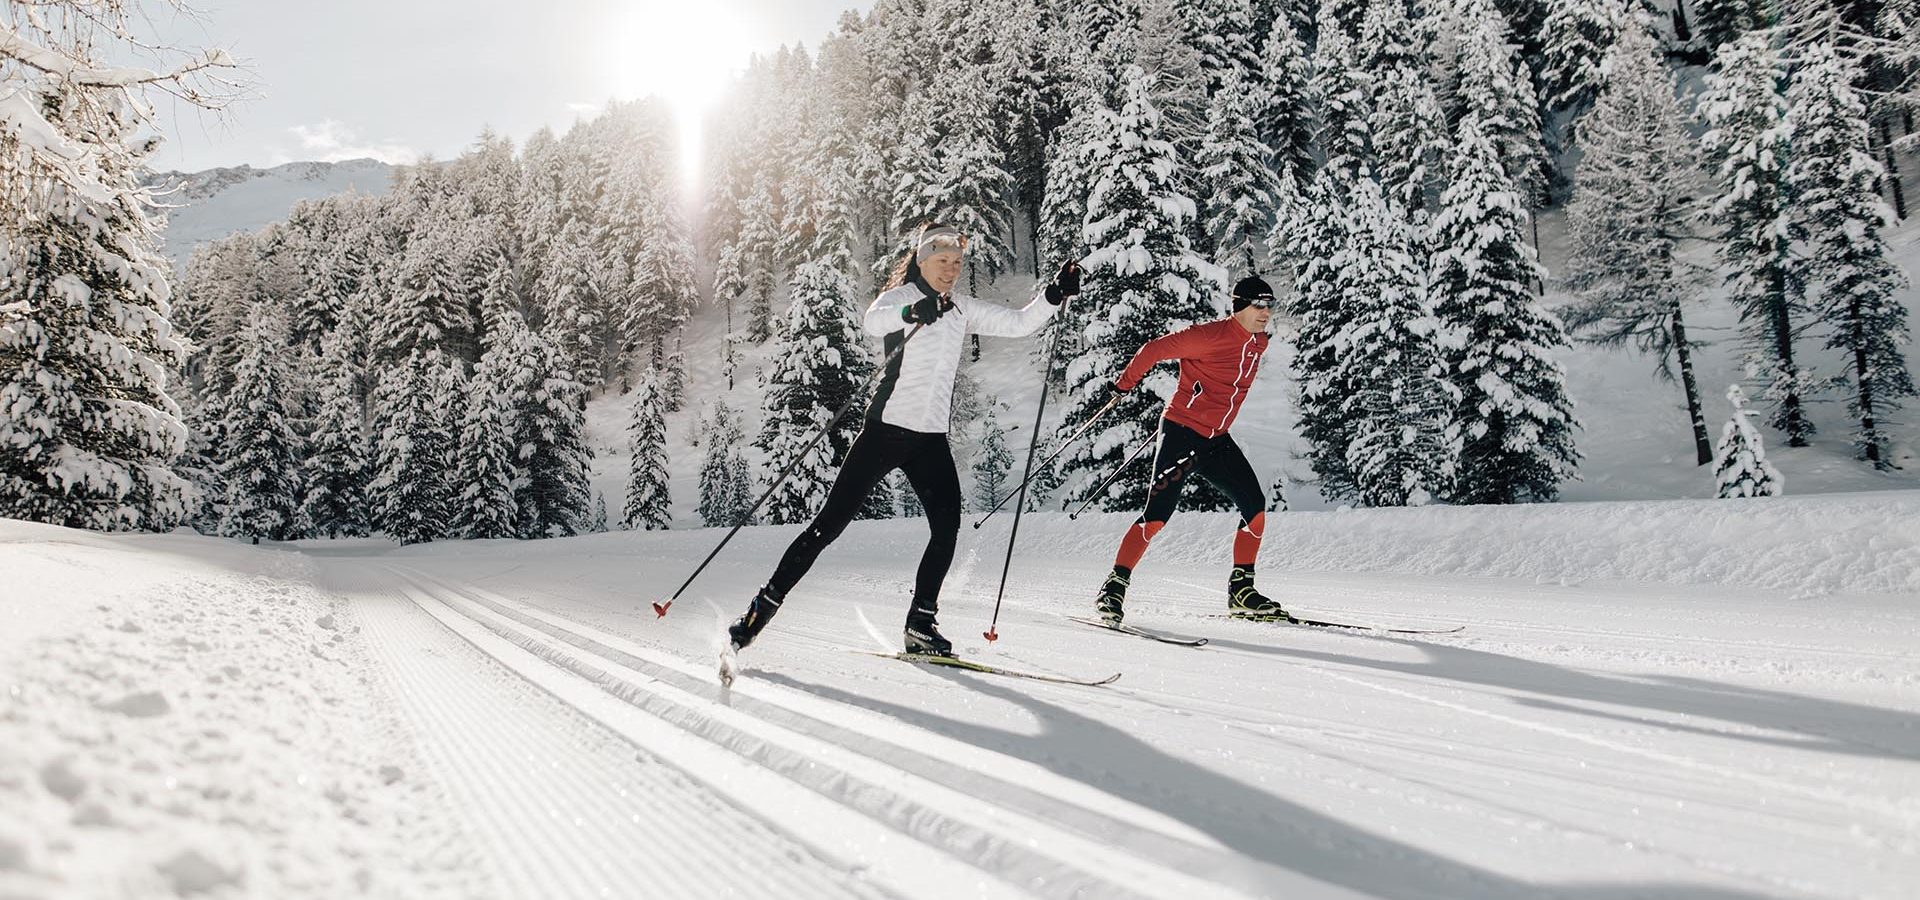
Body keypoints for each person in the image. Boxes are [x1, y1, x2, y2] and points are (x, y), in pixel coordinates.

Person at [727, 224, 1080, 656]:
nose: (950, 270)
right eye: (941, 261)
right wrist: (912, 314)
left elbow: (1020, 323)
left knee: (946, 528)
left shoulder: (962, 308)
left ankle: (920, 624)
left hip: (930, 439)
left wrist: (1053, 295)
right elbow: (872, 320)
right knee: (827, 526)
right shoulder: (900, 299)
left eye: (956, 263)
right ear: (921, 260)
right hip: (885, 432)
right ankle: (760, 610)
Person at [1092, 275, 1291, 624]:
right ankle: (1114, 586)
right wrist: (1122, 387)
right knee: (1156, 516)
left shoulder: (1258, 343)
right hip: (1183, 434)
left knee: (1255, 507)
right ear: (1240, 306)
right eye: (1258, 305)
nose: (1265, 312)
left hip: (1216, 439)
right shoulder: (1209, 336)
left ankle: (1242, 592)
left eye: (1269, 305)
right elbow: (1153, 350)